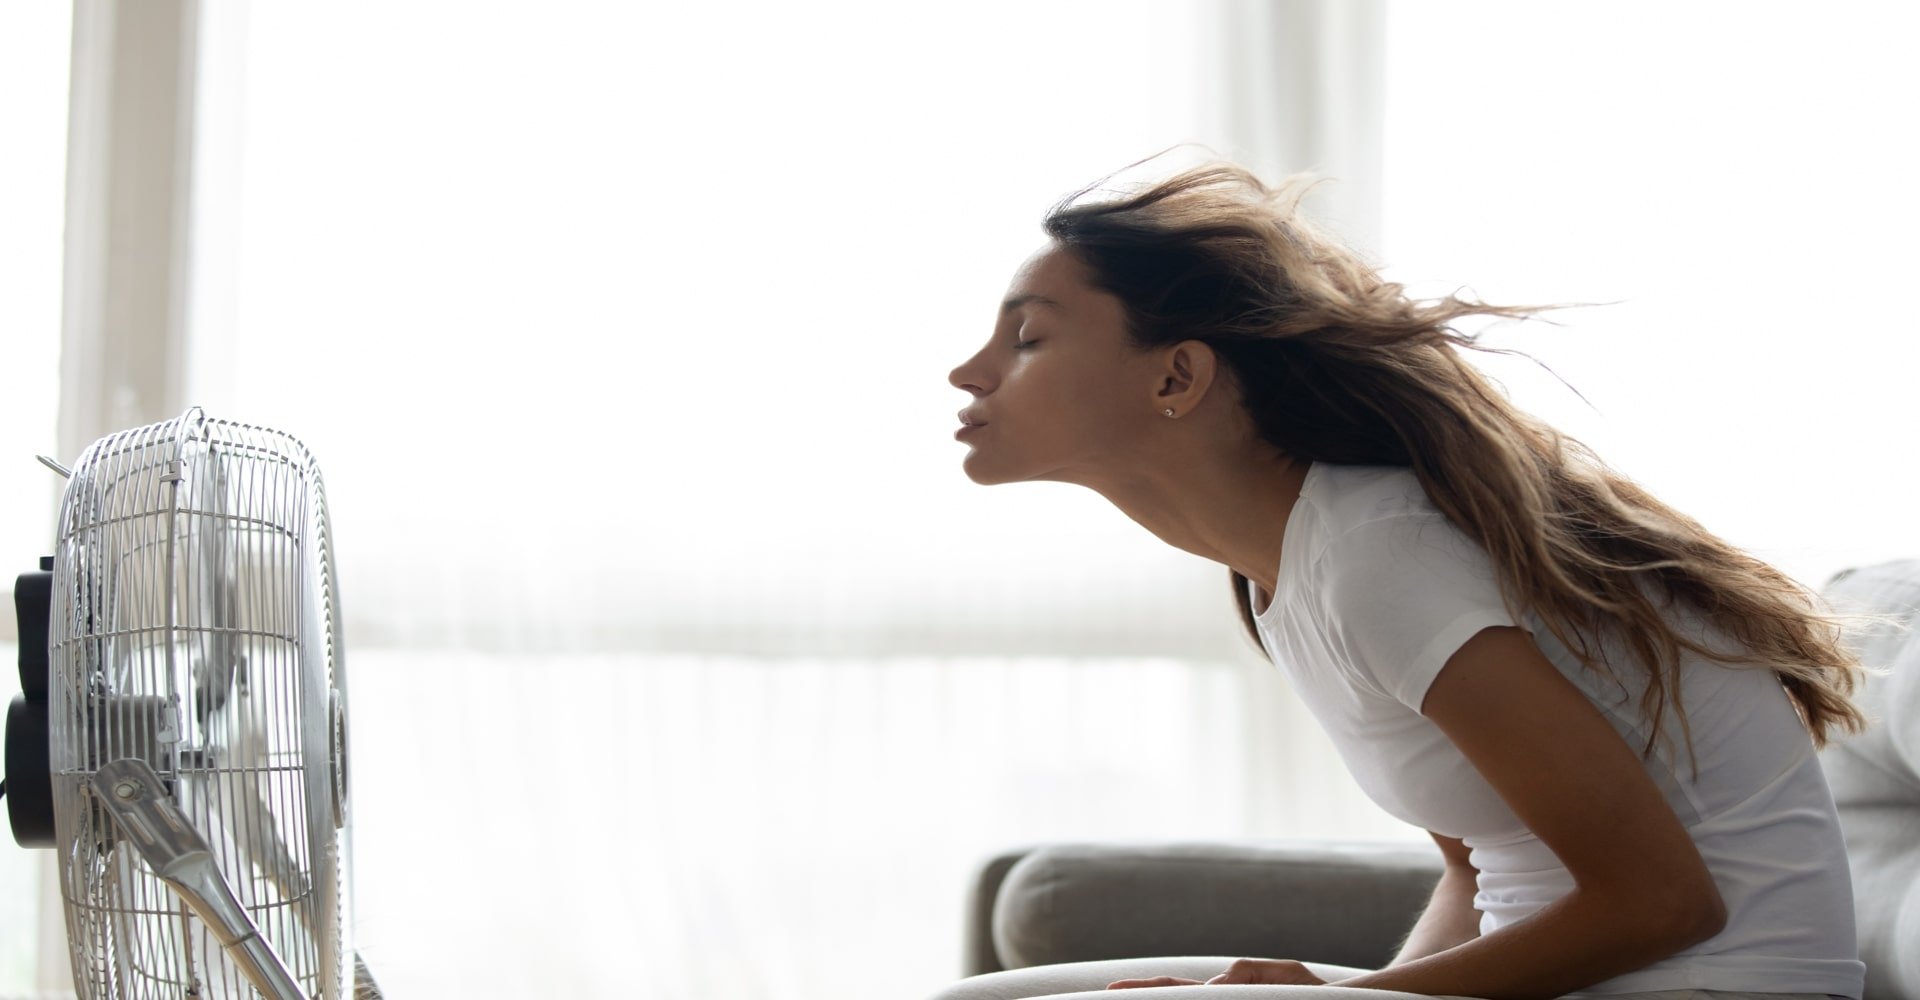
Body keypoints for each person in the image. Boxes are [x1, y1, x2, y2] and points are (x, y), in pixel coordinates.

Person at [937, 157, 1875, 1000]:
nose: (967, 372)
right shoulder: (1279, 575)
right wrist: (1380, 990)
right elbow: (1477, 873)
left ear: (1177, 376)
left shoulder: (1378, 555)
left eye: (1026, 339)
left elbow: (1666, 905)